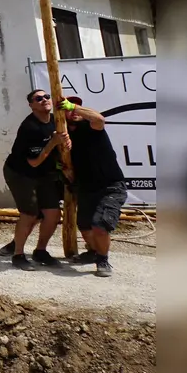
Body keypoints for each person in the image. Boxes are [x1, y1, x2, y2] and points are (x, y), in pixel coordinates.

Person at [2, 88, 69, 270]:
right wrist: (53, 143)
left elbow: (58, 148)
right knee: (30, 214)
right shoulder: (30, 128)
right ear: (31, 105)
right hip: (21, 173)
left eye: (46, 96)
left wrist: (64, 144)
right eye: (38, 99)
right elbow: (34, 161)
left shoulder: (57, 120)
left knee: (53, 213)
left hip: (44, 173)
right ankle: (18, 255)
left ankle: (40, 251)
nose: (44, 100)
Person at [61, 96, 126, 277]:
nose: (74, 111)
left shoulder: (91, 127)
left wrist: (73, 106)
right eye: (68, 109)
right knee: (84, 225)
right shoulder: (64, 134)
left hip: (111, 186)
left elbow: (99, 119)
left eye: (77, 107)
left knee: (100, 226)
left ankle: (103, 260)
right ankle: (93, 252)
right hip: (87, 187)